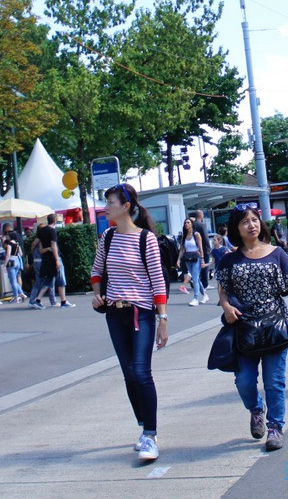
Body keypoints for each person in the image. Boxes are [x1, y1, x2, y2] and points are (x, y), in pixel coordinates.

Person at [220, 203, 288, 451]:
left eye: (254, 219)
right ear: (237, 228)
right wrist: (225, 306)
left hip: (276, 324)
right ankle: (256, 409)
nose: (251, 225)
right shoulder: (229, 259)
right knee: (244, 380)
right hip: (244, 328)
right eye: (245, 221)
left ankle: (275, 427)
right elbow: (223, 291)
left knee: (274, 381)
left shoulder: (277, 253)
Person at [90, 183, 168, 461]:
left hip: (141, 312)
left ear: (126, 207)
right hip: (114, 313)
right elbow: (97, 270)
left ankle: (150, 434)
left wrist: (162, 319)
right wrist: (97, 294)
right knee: (128, 373)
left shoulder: (145, 239)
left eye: (110, 202)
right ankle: (142, 425)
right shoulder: (107, 237)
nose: (105, 207)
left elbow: (158, 281)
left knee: (140, 372)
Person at [30, 214, 75, 309]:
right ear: (54, 221)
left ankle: (38, 300)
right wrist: (57, 259)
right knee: (61, 279)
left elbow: (37, 243)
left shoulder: (42, 231)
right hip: (54, 258)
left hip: (46, 258)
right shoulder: (52, 231)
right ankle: (63, 301)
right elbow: (53, 245)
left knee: (49, 280)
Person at [180, 218, 207, 307]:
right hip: (188, 258)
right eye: (185, 223)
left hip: (196, 258)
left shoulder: (196, 234)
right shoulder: (184, 236)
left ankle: (195, 298)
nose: (186, 224)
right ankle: (205, 295)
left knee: (195, 278)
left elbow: (201, 247)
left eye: (188, 222)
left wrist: (202, 258)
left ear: (192, 224)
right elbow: (182, 249)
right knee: (196, 279)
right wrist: (178, 259)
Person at [2, 223, 27, 304]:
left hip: (11, 261)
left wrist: (5, 264)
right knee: (16, 279)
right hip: (17, 261)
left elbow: (8, 254)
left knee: (13, 281)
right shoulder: (17, 244)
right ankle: (22, 293)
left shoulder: (9, 245)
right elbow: (21, 254)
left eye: (8, 236)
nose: (7, 236)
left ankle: (16, 297)